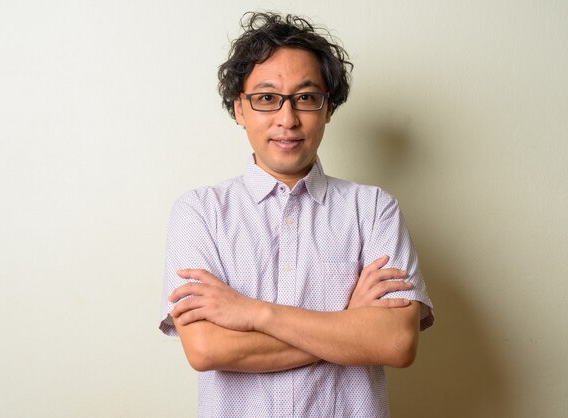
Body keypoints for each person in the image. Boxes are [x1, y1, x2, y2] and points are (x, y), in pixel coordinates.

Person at [159, 12, 434, 418]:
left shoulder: (374, 209)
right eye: (267, 98)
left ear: (328, 109)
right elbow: (206, 349)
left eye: (306, 98)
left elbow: (395, 343)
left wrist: (254, 313)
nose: (287, 119)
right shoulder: (199, 213)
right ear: (240, 109)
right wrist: (349, 327)